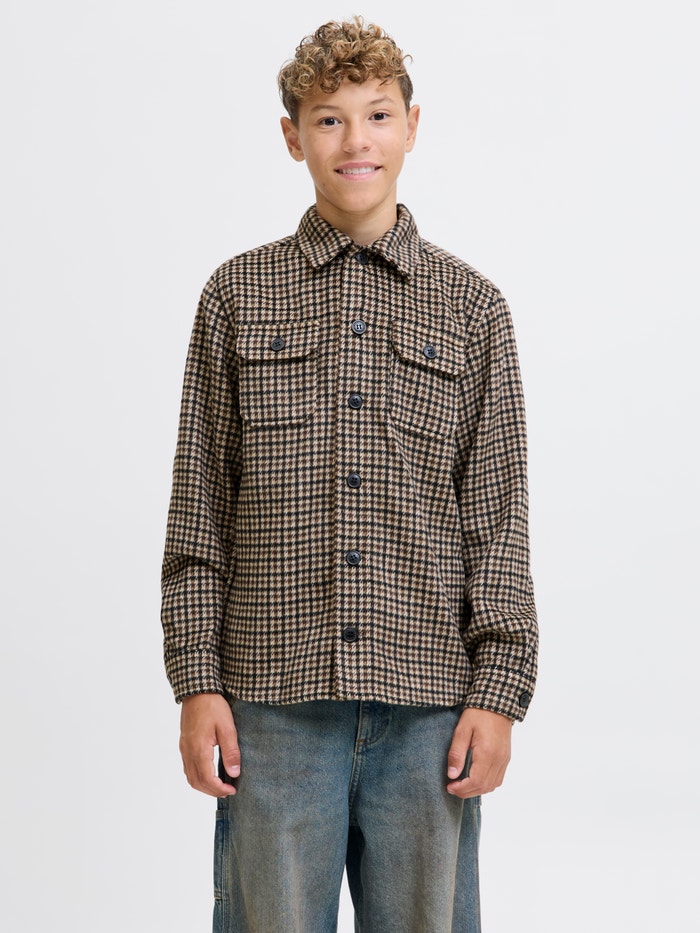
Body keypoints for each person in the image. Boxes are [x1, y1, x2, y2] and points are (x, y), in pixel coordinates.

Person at [161, 16, 538, 933]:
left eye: (376, 114)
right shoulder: (237, 295)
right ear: (293, 137)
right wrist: (196, 682)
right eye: (328, 119)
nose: (355, 140)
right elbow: (199, 509)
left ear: (413, 125)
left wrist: (499, 692)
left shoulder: (473, 308)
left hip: (430, 711)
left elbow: (498, 519)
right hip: (272, 706)